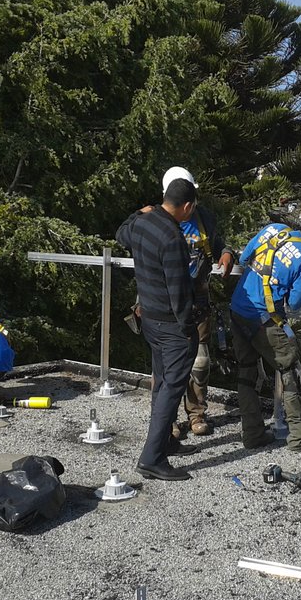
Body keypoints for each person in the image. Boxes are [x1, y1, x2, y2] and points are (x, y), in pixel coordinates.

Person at [229, 223, 301, 452]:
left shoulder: (275, 228)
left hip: (238, 308)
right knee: (292, 372)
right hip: (264, 319)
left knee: (246, 372)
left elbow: (244, 259)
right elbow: (295, 301)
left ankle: (253, 435)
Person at [116, 177, 201, 481]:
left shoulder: (143, 223)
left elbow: (120, 234)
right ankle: (152, 459)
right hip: (171, 325)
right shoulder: (172, 238)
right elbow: (179, 291)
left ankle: (165, 442)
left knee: (162, 382)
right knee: (170, 389)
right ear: (187, 206)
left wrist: (137, 213)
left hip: (149, 319)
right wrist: (188, 328)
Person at [159, 167, 235, 437]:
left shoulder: (204, 218)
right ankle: (166, 420)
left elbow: (219, 244)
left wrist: (226, 254)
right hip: (165, 303)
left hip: (197, 300)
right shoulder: (156, 220)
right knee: (167, 365)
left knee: (200, 362)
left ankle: (196, 414)